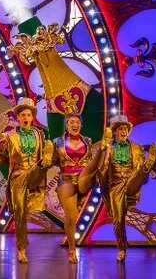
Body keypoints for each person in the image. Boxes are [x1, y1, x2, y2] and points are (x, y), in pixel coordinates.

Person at [0, 97, 53, 263]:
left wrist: (48, 153)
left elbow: (47, 152)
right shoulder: (10, 137)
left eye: (29, 114)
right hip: (17, 176)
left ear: (32, 117)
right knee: (20, 213)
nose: (26, 118)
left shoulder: (40, 135)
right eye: (23, 115)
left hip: (35, 174)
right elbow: (2, 157)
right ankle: (21, 248)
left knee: (33, 209)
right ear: (18, 117)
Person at [96, 114, 156, 262]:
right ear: (115, 132)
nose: (123, 131)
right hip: (115, 186)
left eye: (125, 129)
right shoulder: (109, 148)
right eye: (120, 129)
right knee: (118, 220)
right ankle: (122, 248)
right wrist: (102, 185)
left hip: (131, 182)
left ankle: (149, 164)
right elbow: (103, 171)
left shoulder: (136, 148)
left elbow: (142, 179)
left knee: (139, 173)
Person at [52, 111, 101, 263]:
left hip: (83, 179)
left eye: (77, 122)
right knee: (71, 217)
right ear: (66, 125)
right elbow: (53, 161)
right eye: (71, 122)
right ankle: (72, 249)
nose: (75, 125)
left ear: (81, 125)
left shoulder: (88, 140)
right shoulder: (57, 142)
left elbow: (92, 162)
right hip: (66, 179)